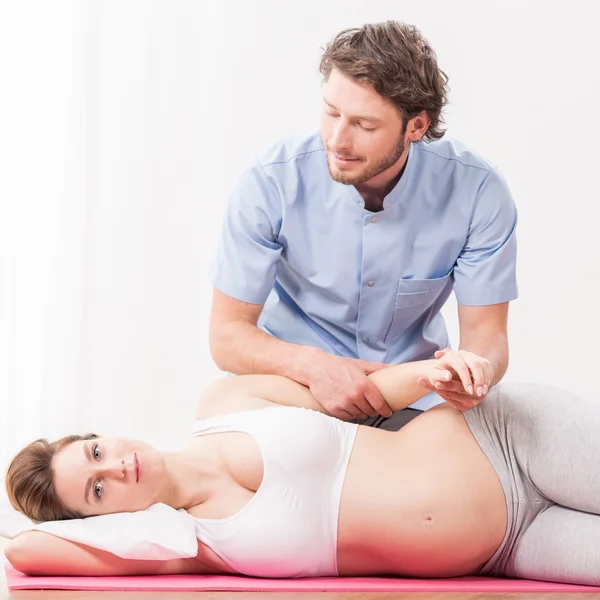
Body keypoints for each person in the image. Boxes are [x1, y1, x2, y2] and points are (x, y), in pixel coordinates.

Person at [4, 350, 600, 586]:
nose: (116, 468)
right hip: (511, 547)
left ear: (100, 436)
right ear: (97, 521)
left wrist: (431, 375)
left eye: (96, 453)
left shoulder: (223, 403)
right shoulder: (193, 546)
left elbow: (364, 395)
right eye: (98, 490)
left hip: (505, 437)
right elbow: (26, 551)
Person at [208, 20, 518, 431]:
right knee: (216, 410)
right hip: (289, 394)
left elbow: (488, 338)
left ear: (417, 126)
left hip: (412, 400)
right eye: (332, 113)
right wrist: (314, 367)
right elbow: (227, 336)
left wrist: (478, 372)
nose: (338, 139)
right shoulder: (271, 181)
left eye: (365, 125)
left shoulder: (478, 192)